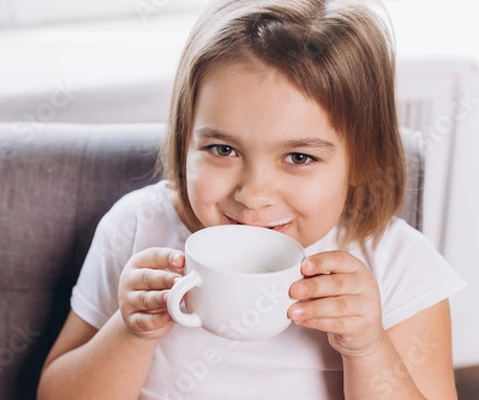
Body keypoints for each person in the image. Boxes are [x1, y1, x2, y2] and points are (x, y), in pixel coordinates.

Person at [37, 0, 466, 398]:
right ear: (186, 141)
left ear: (362, 162)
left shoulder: (398, 262)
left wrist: (368, 348)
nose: (253, 195)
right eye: (223, 149)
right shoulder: (136, 230)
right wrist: (130, 332)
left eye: (299, 157)